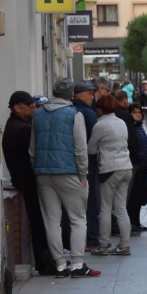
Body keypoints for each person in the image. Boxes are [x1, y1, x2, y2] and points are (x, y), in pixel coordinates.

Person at [30, 77, 101, 278]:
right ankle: (77, 264)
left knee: (51, 221)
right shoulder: (74, 114)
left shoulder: (38, 114)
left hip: (44, 173)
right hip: (69, 172)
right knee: (78, 219)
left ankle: (60, 265)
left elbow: (32, 149)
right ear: (71, 95)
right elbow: (80, 148)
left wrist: (37, 168)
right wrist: (83, 174)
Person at [2, 91, 56, 275]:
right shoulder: (21, 129)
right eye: (30, 105)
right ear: (18, 108)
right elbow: (32, 156)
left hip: (24, 180)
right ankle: (44, 262)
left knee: (38, 219)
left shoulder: (17, 125)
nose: (34, 108)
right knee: (38, 221)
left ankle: (44, 261)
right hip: (28, 181)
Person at [88, 96, 134, 256]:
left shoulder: (100, 125)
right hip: (126, 166)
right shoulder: (121, 122)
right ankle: (124, 245)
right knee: (121, 208)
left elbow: (91, 149)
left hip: (109, 169)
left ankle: (103, 245)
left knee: (105, 208)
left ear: (100, 110)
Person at [72, 80, 101, 250]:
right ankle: (92, 237)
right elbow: (94, 140)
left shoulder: (71, 111)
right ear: (80, 95)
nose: (92, 97)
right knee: (91, 201)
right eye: (90, 93)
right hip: (89, 163)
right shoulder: (89, 113)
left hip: (72, 165)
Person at [125, 103, 147, 234]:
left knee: (139, 197)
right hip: (136, 167)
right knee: (133, 197)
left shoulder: (141, 126)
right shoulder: (131, 128)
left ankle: (136, 222)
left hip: (143, 167)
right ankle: (131, 222)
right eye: (135, 112)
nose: (138, 114)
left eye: (139, 112)